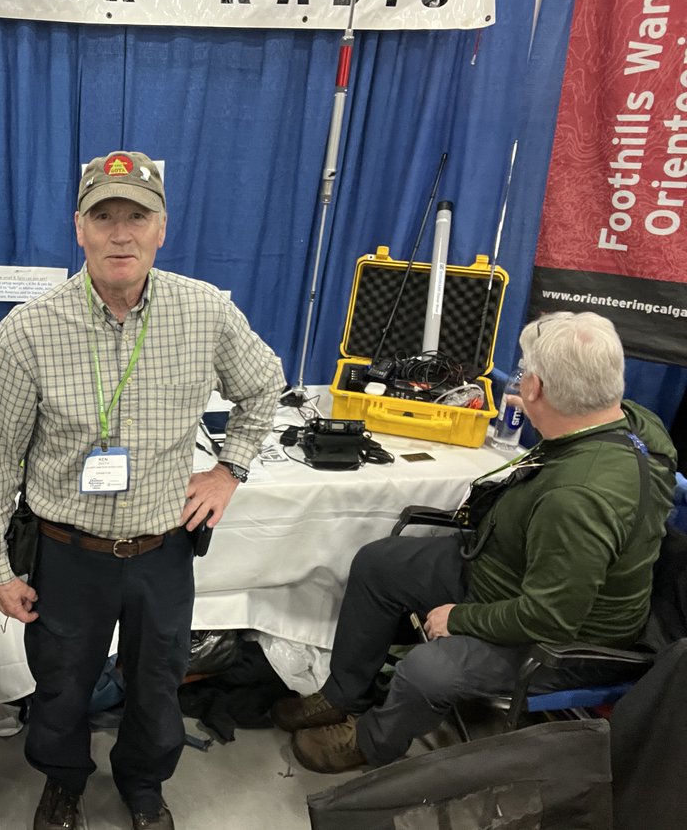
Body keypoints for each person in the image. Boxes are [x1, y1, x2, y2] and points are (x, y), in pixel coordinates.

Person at [0, 151, 284, 830]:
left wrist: (230, 469)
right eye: (102, 216)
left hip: (161, 551)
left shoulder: (205, 312)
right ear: (77, 228)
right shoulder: (27, 331)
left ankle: (144, 785)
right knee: (60, 686)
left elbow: (264, 386)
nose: (120, 234)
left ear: (161, 228)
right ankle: (63, 784)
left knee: (157, 685)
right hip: (66, 552)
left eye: (134, 217)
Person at [272, 310, 677, 773]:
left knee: (427, 671)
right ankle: (343, 692)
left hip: (560, 643)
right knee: (379, 563)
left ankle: (371, 741)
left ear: (534, 390)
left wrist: (462, 618)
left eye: (526, 371)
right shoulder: (632, 422)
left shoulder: (577, 498)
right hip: (511, 572)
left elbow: (552, 618)